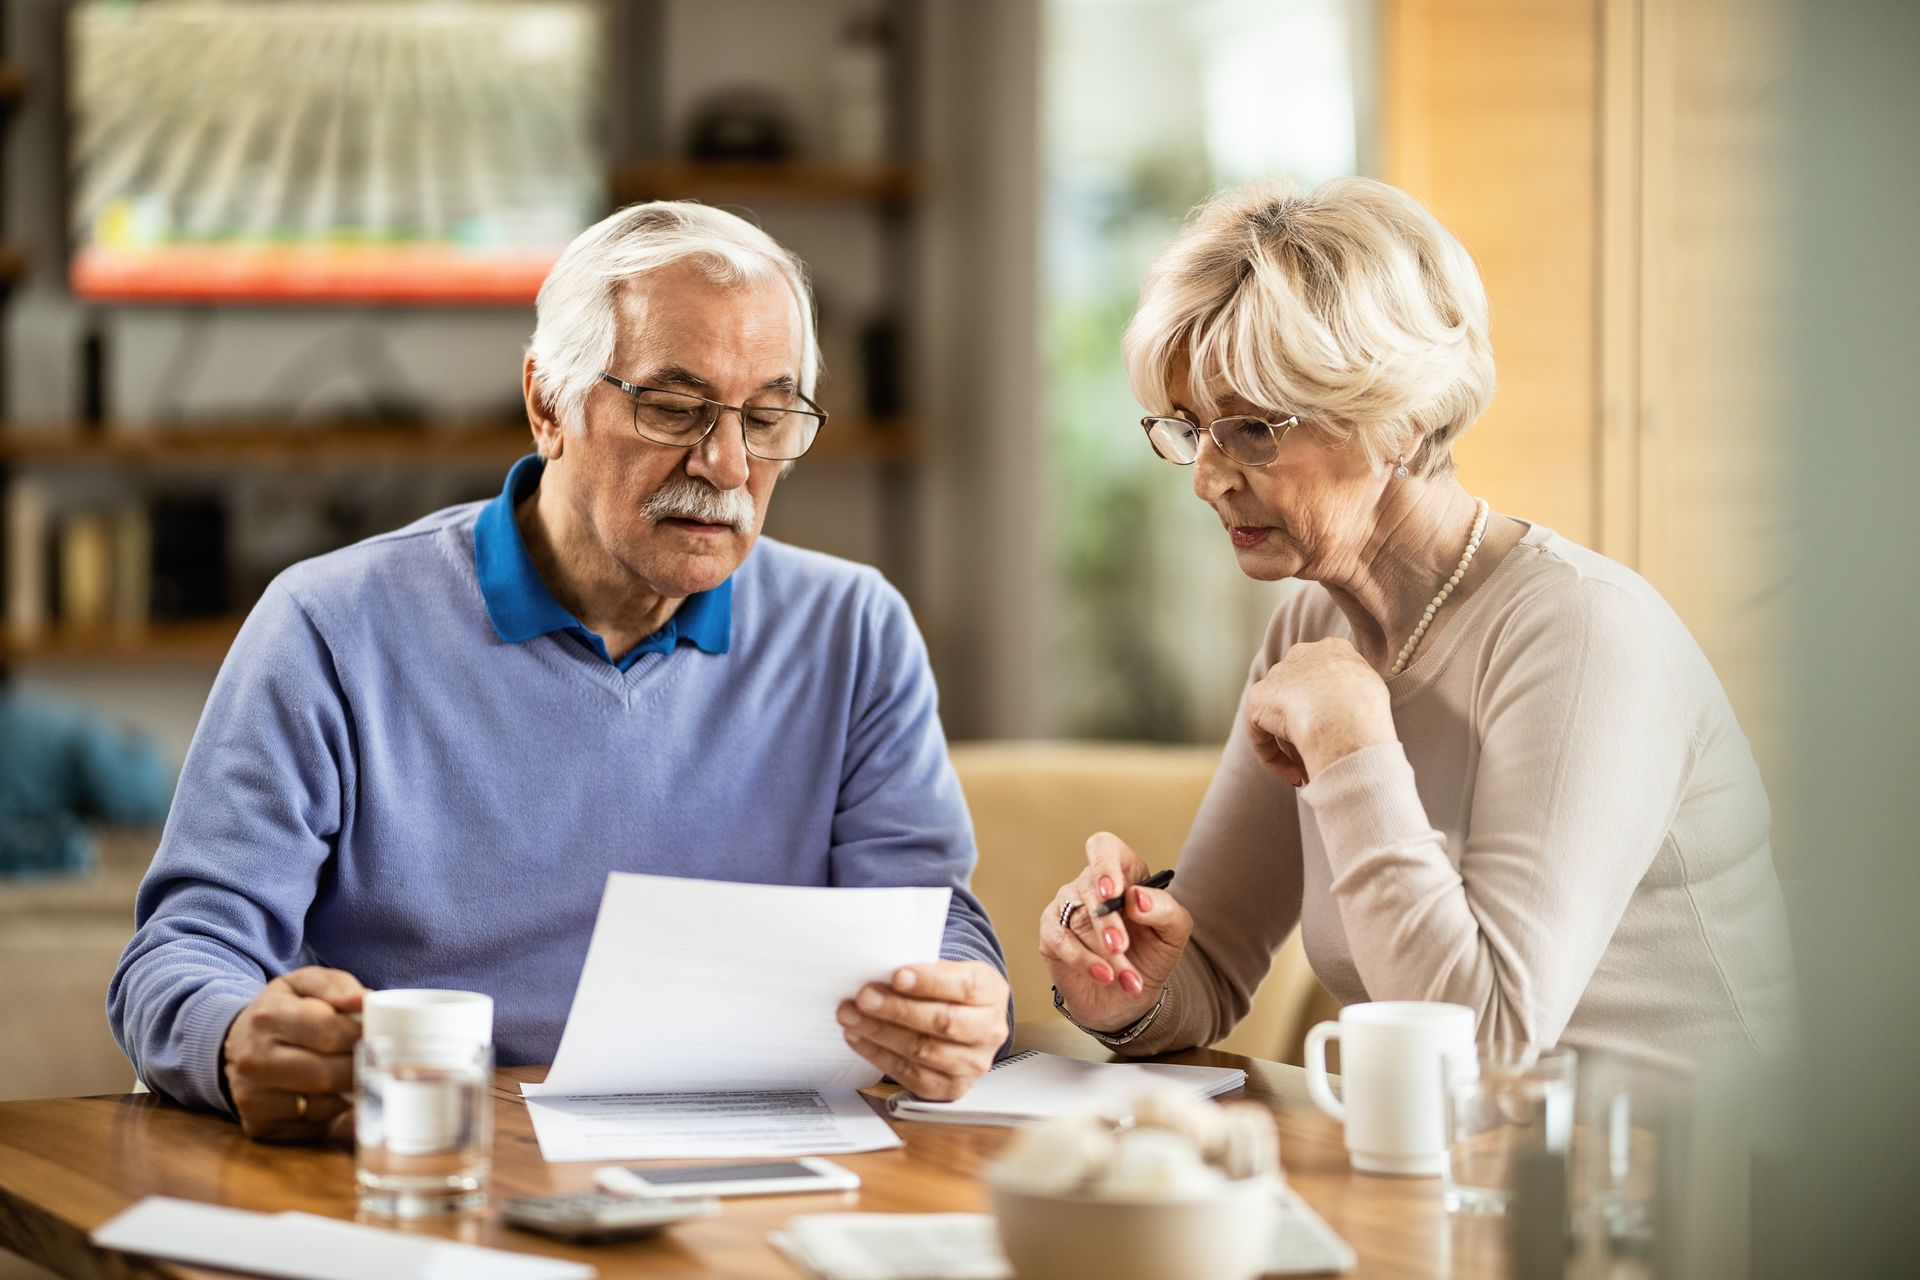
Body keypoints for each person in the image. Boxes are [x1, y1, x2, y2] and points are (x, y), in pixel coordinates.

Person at [109, 203, 1010, 1141]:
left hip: (753, 1168)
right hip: (433, 1155)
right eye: (674, 407)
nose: (728, 462)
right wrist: (231, 1036)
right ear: (548, 404)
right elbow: (180, 957)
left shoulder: (855, 629)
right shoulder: (329, 625)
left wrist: (959, 1007)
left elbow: (931, 924)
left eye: (768, 415)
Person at [1039, 178, 1795, 1070]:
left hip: (1691, 1187)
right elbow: (1205, 968)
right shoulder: (1311, 632)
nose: (1207, 478)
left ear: (1397, 418)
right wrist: (1122, 985)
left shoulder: (1584, 635)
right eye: (1189, 429)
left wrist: (1355, 742)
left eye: (1249, 429)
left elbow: (1488, 1040)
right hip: (1459, 1169)